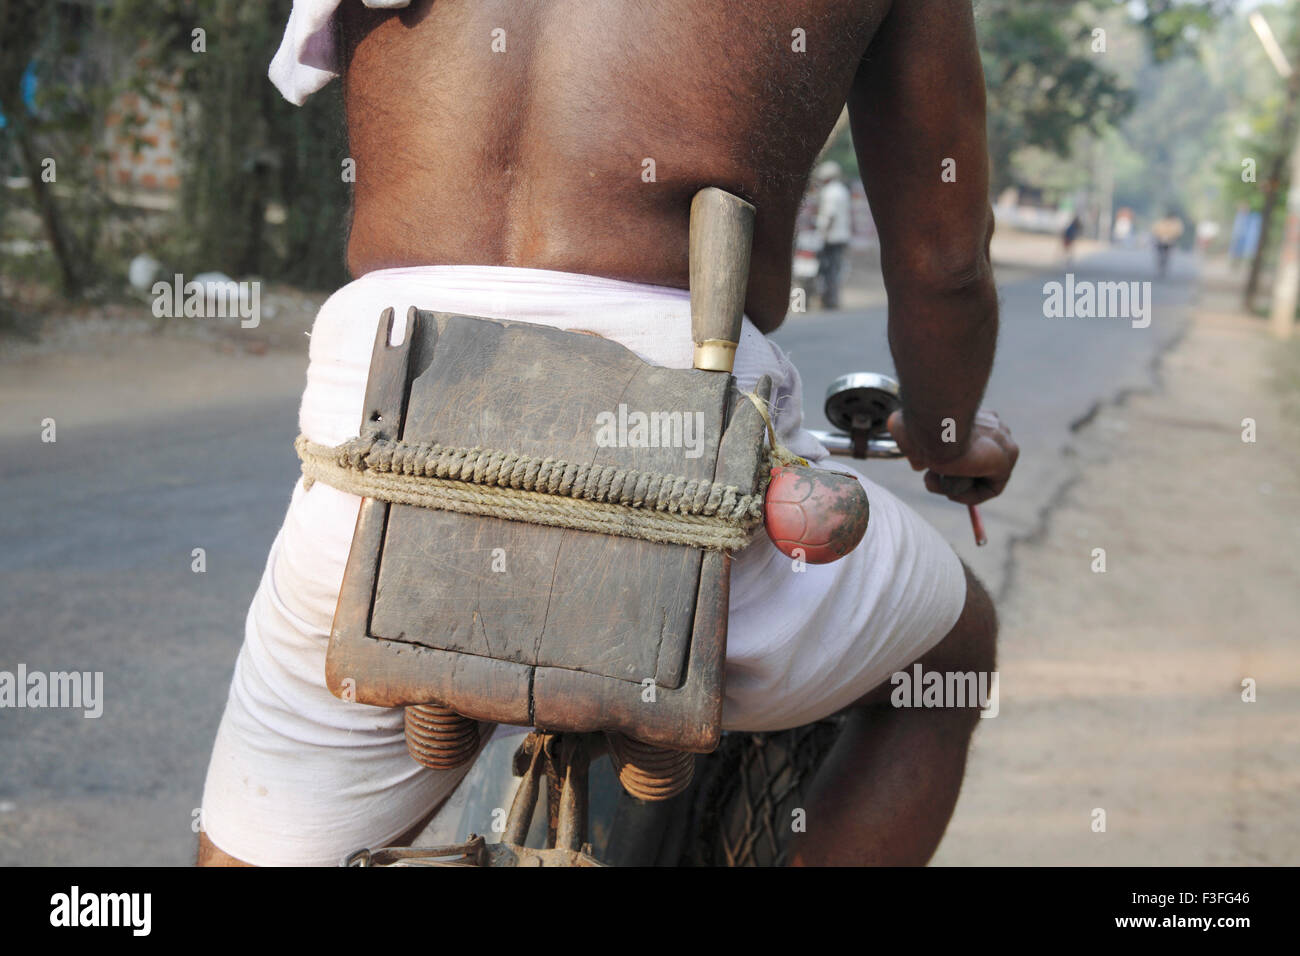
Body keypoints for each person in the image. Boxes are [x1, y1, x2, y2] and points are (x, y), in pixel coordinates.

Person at [199, 0, 1017, 867]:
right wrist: (945, 432)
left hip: (385, 418)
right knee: (951, 652)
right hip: (691, 438)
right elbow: (945, 264)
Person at [813, 160, 853, 308]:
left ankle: (828, 300)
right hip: (842, 236)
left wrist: (823, 234)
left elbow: (830, 215)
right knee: (836, 268)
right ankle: (834, 299)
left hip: (831, 237)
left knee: (827, 269)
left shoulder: (830, 192)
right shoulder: (842, 190)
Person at [1152, 212, 1185, 278]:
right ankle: (1161, 265)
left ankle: (1163, 266)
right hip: (1162, 240)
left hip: (1169, 241)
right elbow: (1155, 230)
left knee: (1166, 255)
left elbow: (1179, 232)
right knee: (1162, 255)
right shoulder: (1162, 222)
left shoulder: (1175, 223)